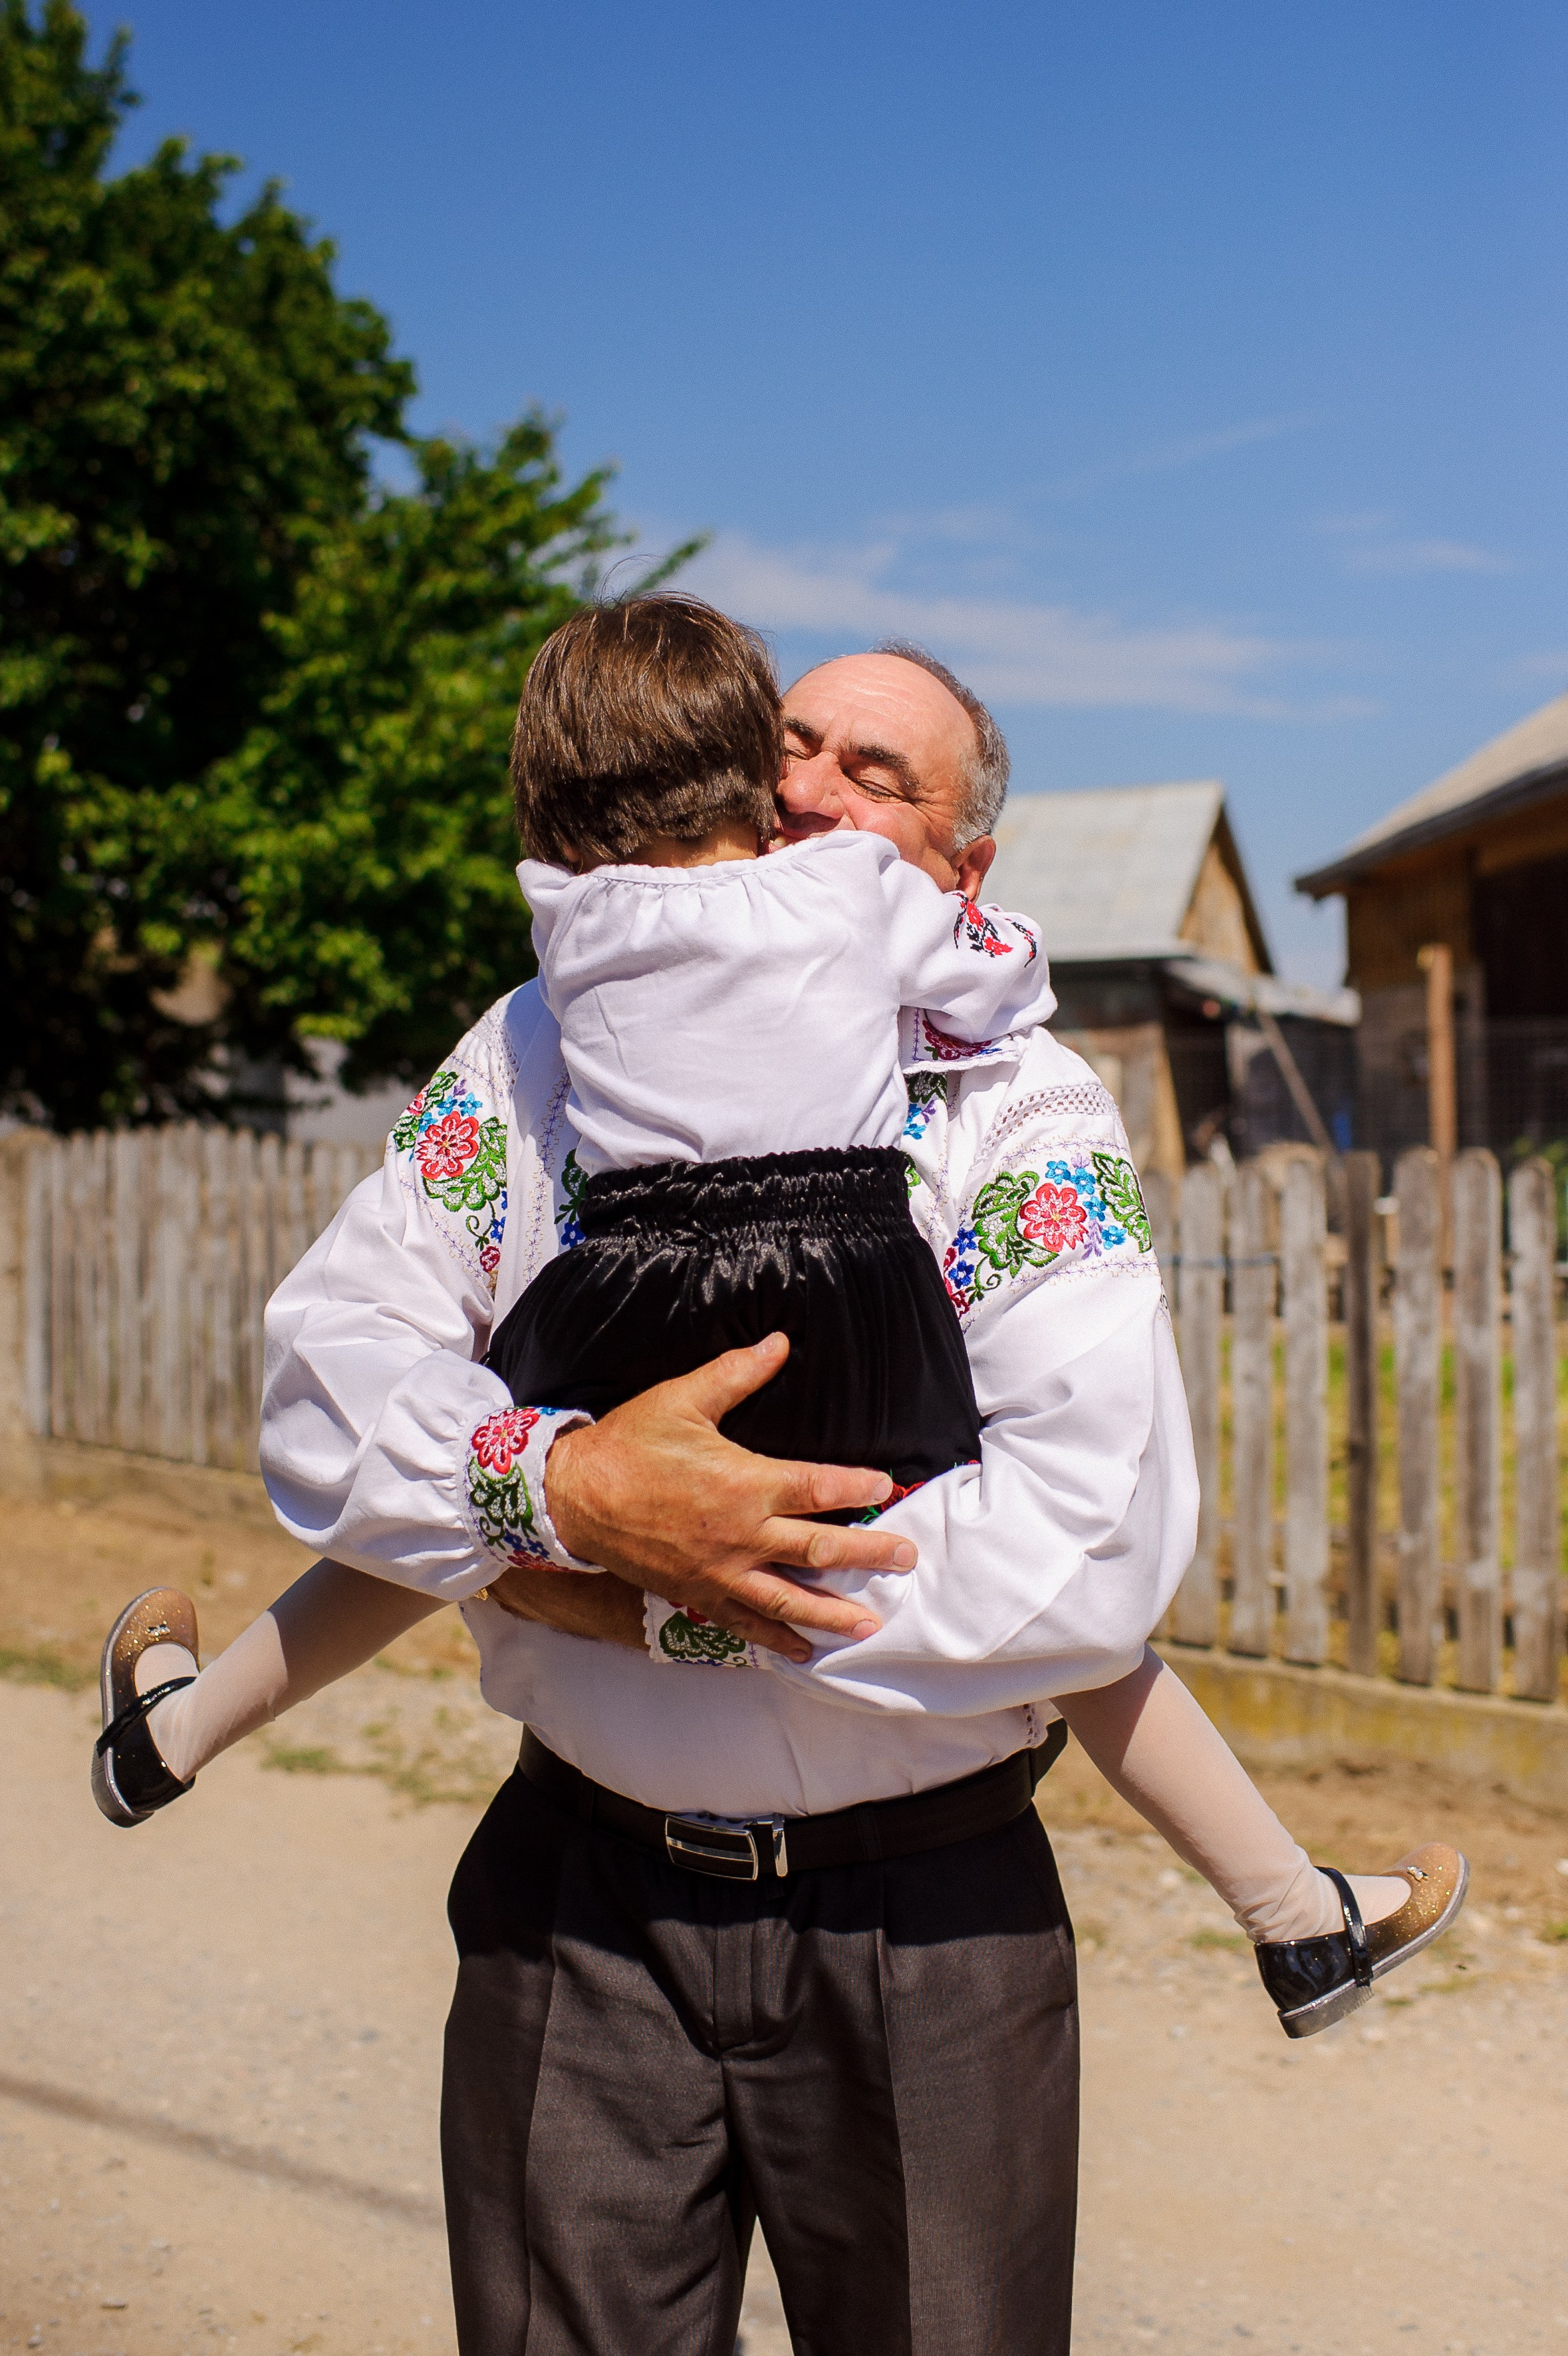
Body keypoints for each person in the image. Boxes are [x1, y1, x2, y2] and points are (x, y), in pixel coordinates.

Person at [92, 628, 1465, 2353]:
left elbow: (1082, 1559)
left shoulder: (1017, 1117)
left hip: (924, 1941)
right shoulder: (534, 1056)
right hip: (575, 1912)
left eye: (877, 776)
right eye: (792, 743)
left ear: (964, 876)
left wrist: (626, 1586)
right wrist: (566, 1489)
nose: (810, 787)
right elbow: (324, 1384)